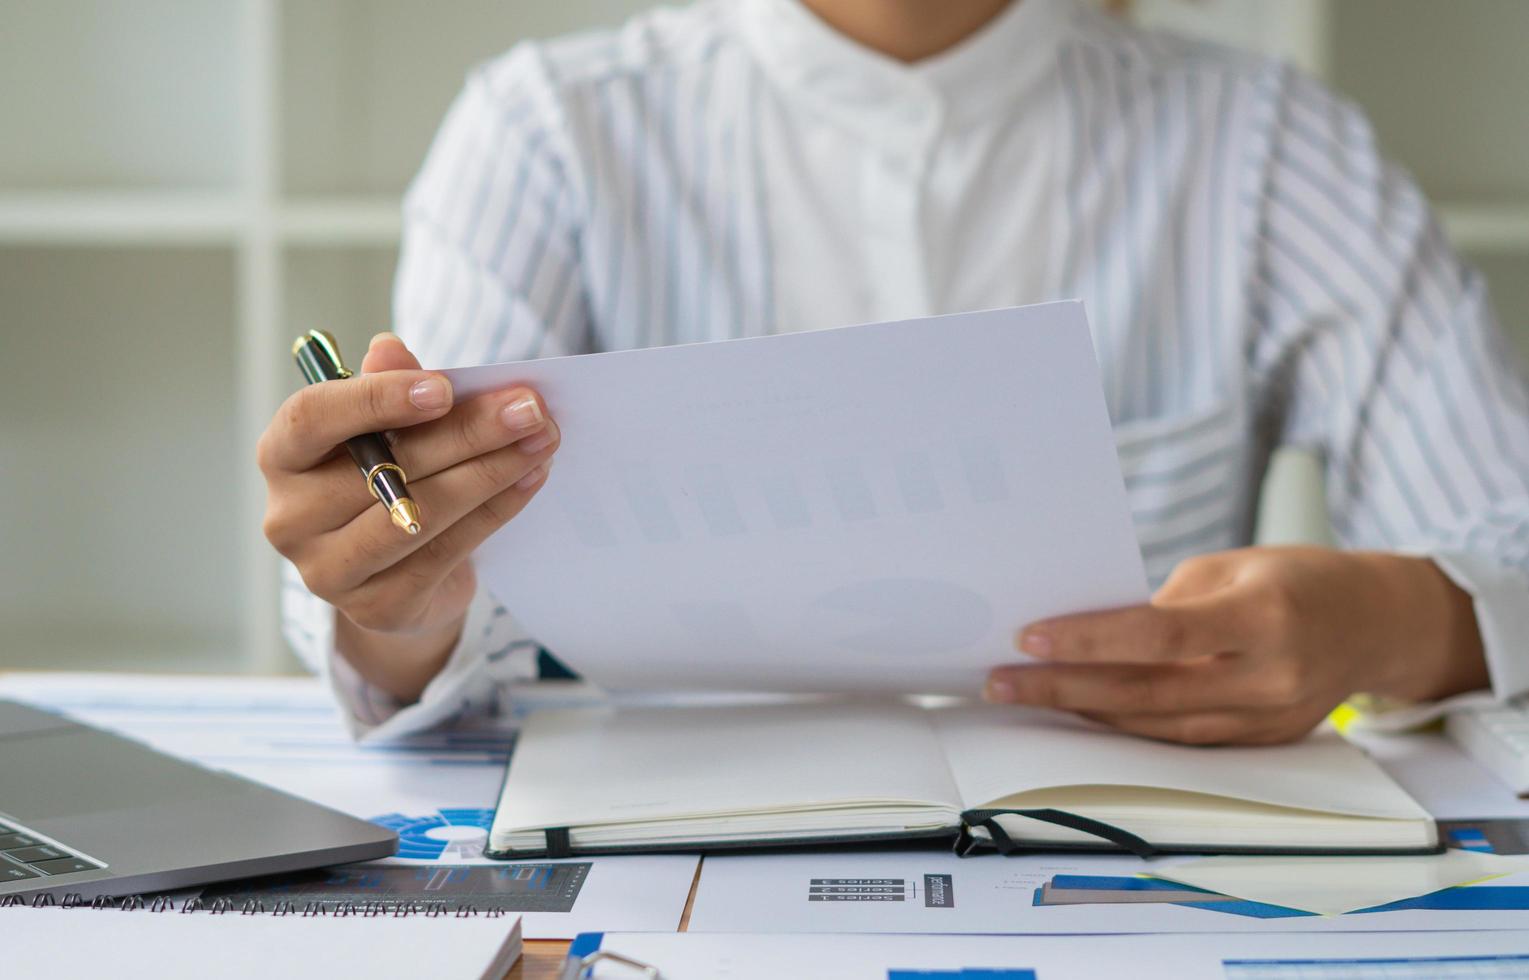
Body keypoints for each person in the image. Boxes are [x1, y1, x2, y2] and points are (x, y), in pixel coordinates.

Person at [260, 0, 1529, 744]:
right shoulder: (546, 132)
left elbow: (1504, 536)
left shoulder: (1266, 145)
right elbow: (435, 614)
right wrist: (398, 598)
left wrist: (1392, 619)